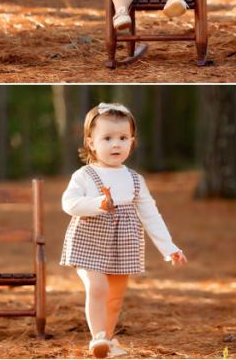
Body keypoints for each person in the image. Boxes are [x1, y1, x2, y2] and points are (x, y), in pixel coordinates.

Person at [60, 102, 187, 358]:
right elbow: (69, 204)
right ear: (91, 142)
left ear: (132, 141)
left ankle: (107, 340)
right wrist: (98, 203)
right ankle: (97, 338)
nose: (116, 144)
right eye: (107, 138)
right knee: (98, 288)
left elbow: (151, 215)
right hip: (90, 239)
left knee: (115, 298)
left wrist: (169, 247)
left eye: (123, 138)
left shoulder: (135, 180)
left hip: (123, 245)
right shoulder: (84, 175)